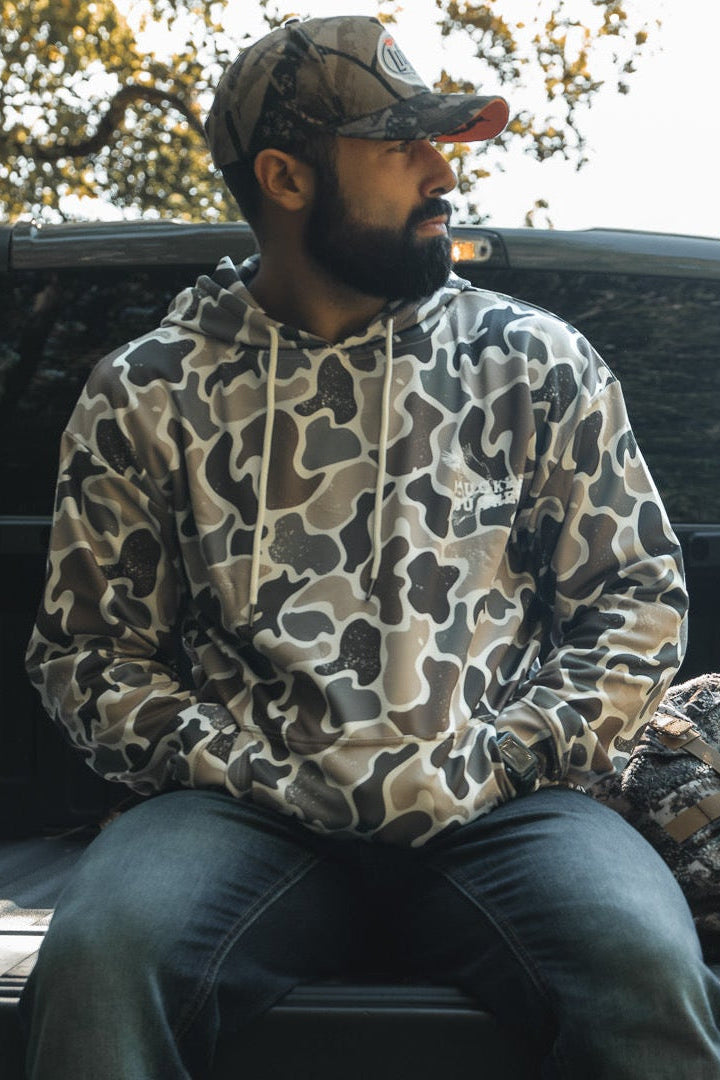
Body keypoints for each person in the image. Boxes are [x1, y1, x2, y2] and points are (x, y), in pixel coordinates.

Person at [20, 14, 720, 1079]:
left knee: (646, 968)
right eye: (404, 144)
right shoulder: (146, 391)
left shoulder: (532, 362)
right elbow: (87, 655)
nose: (445, 170)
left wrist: (497, 759)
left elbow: (637, 601)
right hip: (239, 818)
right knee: (101, 961)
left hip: (501, 810)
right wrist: (255, 772)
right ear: (286, 179)